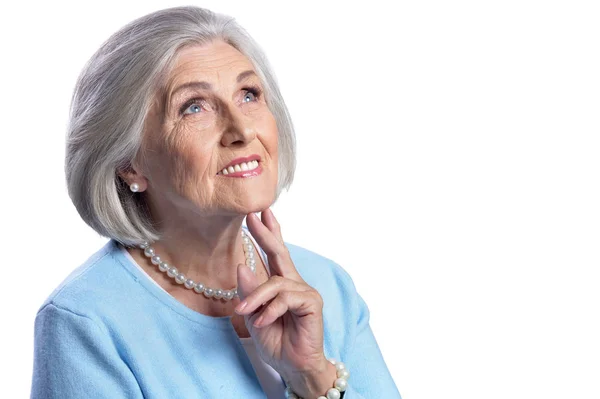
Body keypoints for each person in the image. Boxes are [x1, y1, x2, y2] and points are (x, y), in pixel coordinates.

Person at [30, 6, 401, 398]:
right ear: (129, 164)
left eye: (248, 94)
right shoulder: (88, 323)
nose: (242, 129)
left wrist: (314, 377)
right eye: (194, 106)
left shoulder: (325, 285)